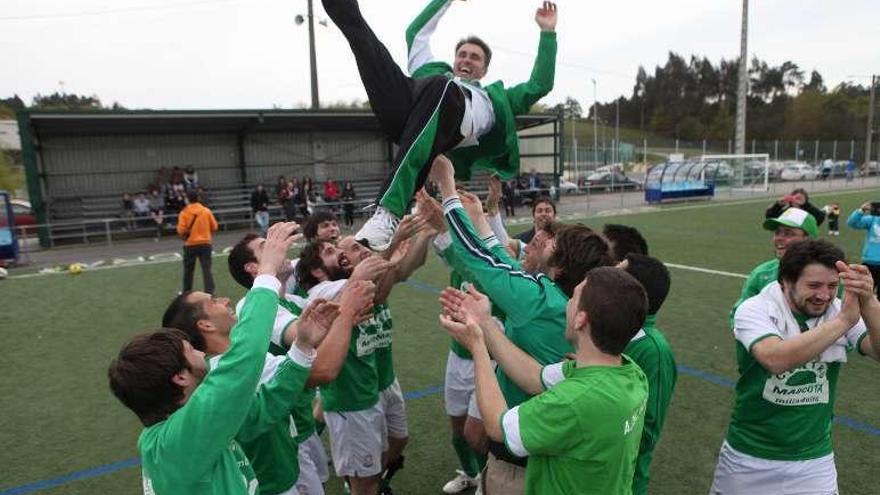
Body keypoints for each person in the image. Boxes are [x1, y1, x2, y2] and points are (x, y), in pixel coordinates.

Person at [428, 154, 613, 493]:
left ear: (559, 266)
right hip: (549, 447)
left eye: (555, 242)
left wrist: (448, 187)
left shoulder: (540, 302)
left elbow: (480, 260)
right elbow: (502, 263)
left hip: (520, 462)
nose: (545, 237)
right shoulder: (559, 298)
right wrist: (481, 220)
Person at [321, 0, 558, 251]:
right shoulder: (433, 70)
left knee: (442, 87)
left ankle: (389, 211)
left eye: (475, 57)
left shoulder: (497, 97)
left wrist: (547, 33)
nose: (467, 59)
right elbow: (416, 32)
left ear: (484, 69)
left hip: (454, 121)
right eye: (462, 54)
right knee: (367, 45)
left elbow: (539, 84)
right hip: (408, 112)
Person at [107, 222, 321, 495]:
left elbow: (260, 411)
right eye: (190, 350)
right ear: (180, 377)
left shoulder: (185, 424)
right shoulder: (181, 438)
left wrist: (302, 348)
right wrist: (266, 273)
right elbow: (244, 359)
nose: (200, 352)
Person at [438, 267, 649, 494]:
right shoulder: (631, 373)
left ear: (580, 319)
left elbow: (499, 427)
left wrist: (477, 346)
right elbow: (535, 377)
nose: (566, 303)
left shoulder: (574, 401)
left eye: (573, 299)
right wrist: (485, 324)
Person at [711, 240, 880, 494]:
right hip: (748, 457)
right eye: (813, 285)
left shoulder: (836, 310)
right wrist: (844, 320)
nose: (824, 295)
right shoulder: (755, 309)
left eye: (833, 286)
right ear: (785, 282)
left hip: (814, 461)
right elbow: (775, 359)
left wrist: (870, 303)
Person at [617, 254, 676, 495]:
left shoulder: (653, 350)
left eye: (616, 274)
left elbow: (647, 431)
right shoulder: (611, 329)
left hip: (623, 481)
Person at [730, 207, 819, 324]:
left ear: (807, 239)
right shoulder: (761, 274)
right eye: (777, 232)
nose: (779, 238)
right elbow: (739, 315)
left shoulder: (829, 276)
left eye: (788, 233)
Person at [176, 190, 218, 294]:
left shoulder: (184, 212)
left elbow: (180, 230)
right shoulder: (206, 211)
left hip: (190, 244)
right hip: (205, 243)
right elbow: (215, 226)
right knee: (206, 269)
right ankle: (209, 291)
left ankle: (187, 291)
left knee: (188, 270)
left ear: (187, 199)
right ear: (198, 198)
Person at [847, 201, 880, 295]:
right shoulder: (873, 219)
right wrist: (861, 210)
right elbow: (852, 223)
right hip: (870, 263)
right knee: (863, 294)